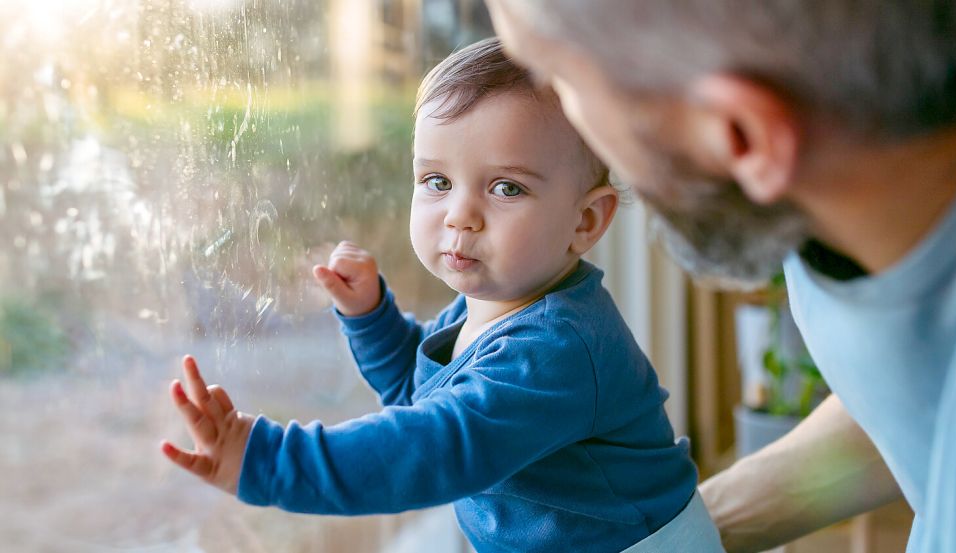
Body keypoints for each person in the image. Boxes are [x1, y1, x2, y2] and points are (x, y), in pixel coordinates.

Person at [161, 37, 723, 552]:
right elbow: (421, 394)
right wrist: (372, 317)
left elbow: (429, 449)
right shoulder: (496, 302)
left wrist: (270, 461)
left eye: (506, 187)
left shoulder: (558, 350)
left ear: (585, 221)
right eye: (437, 181)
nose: (460, 216)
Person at [484, 1, 956, 551]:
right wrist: (675, 535)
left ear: (741, 135)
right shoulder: (872, 185)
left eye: (562, 79)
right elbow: (903, 399)